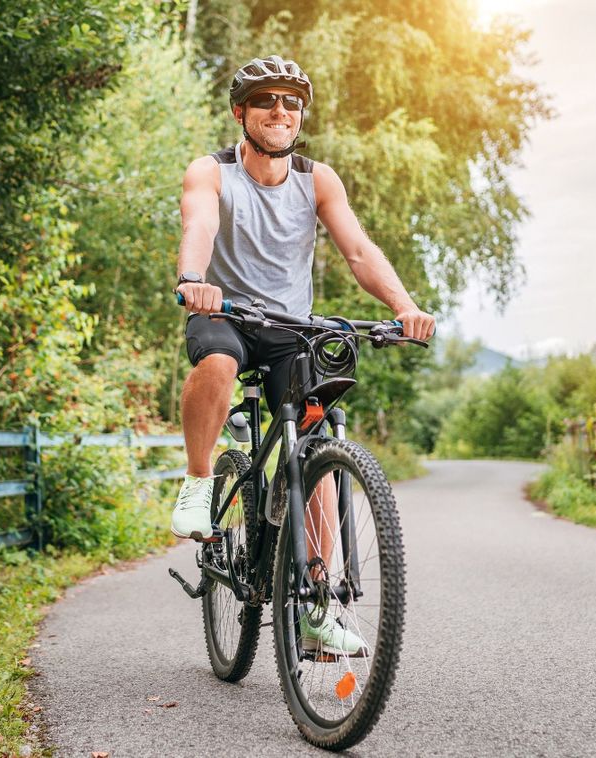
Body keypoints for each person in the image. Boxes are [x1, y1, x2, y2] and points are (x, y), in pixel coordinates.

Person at [170, 55, 435, 654]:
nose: (280, 112)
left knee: (315, 441)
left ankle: (316, 603)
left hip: (293, 328)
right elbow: (201, 224)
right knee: (216, 362)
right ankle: (196, 480)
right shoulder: (211, 172)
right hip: (228, 315)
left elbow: (360, 252)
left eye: (291, 103)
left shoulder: (318, 179)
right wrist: (193, 276)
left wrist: (404, 306)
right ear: (241, 112)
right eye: (266, 101)